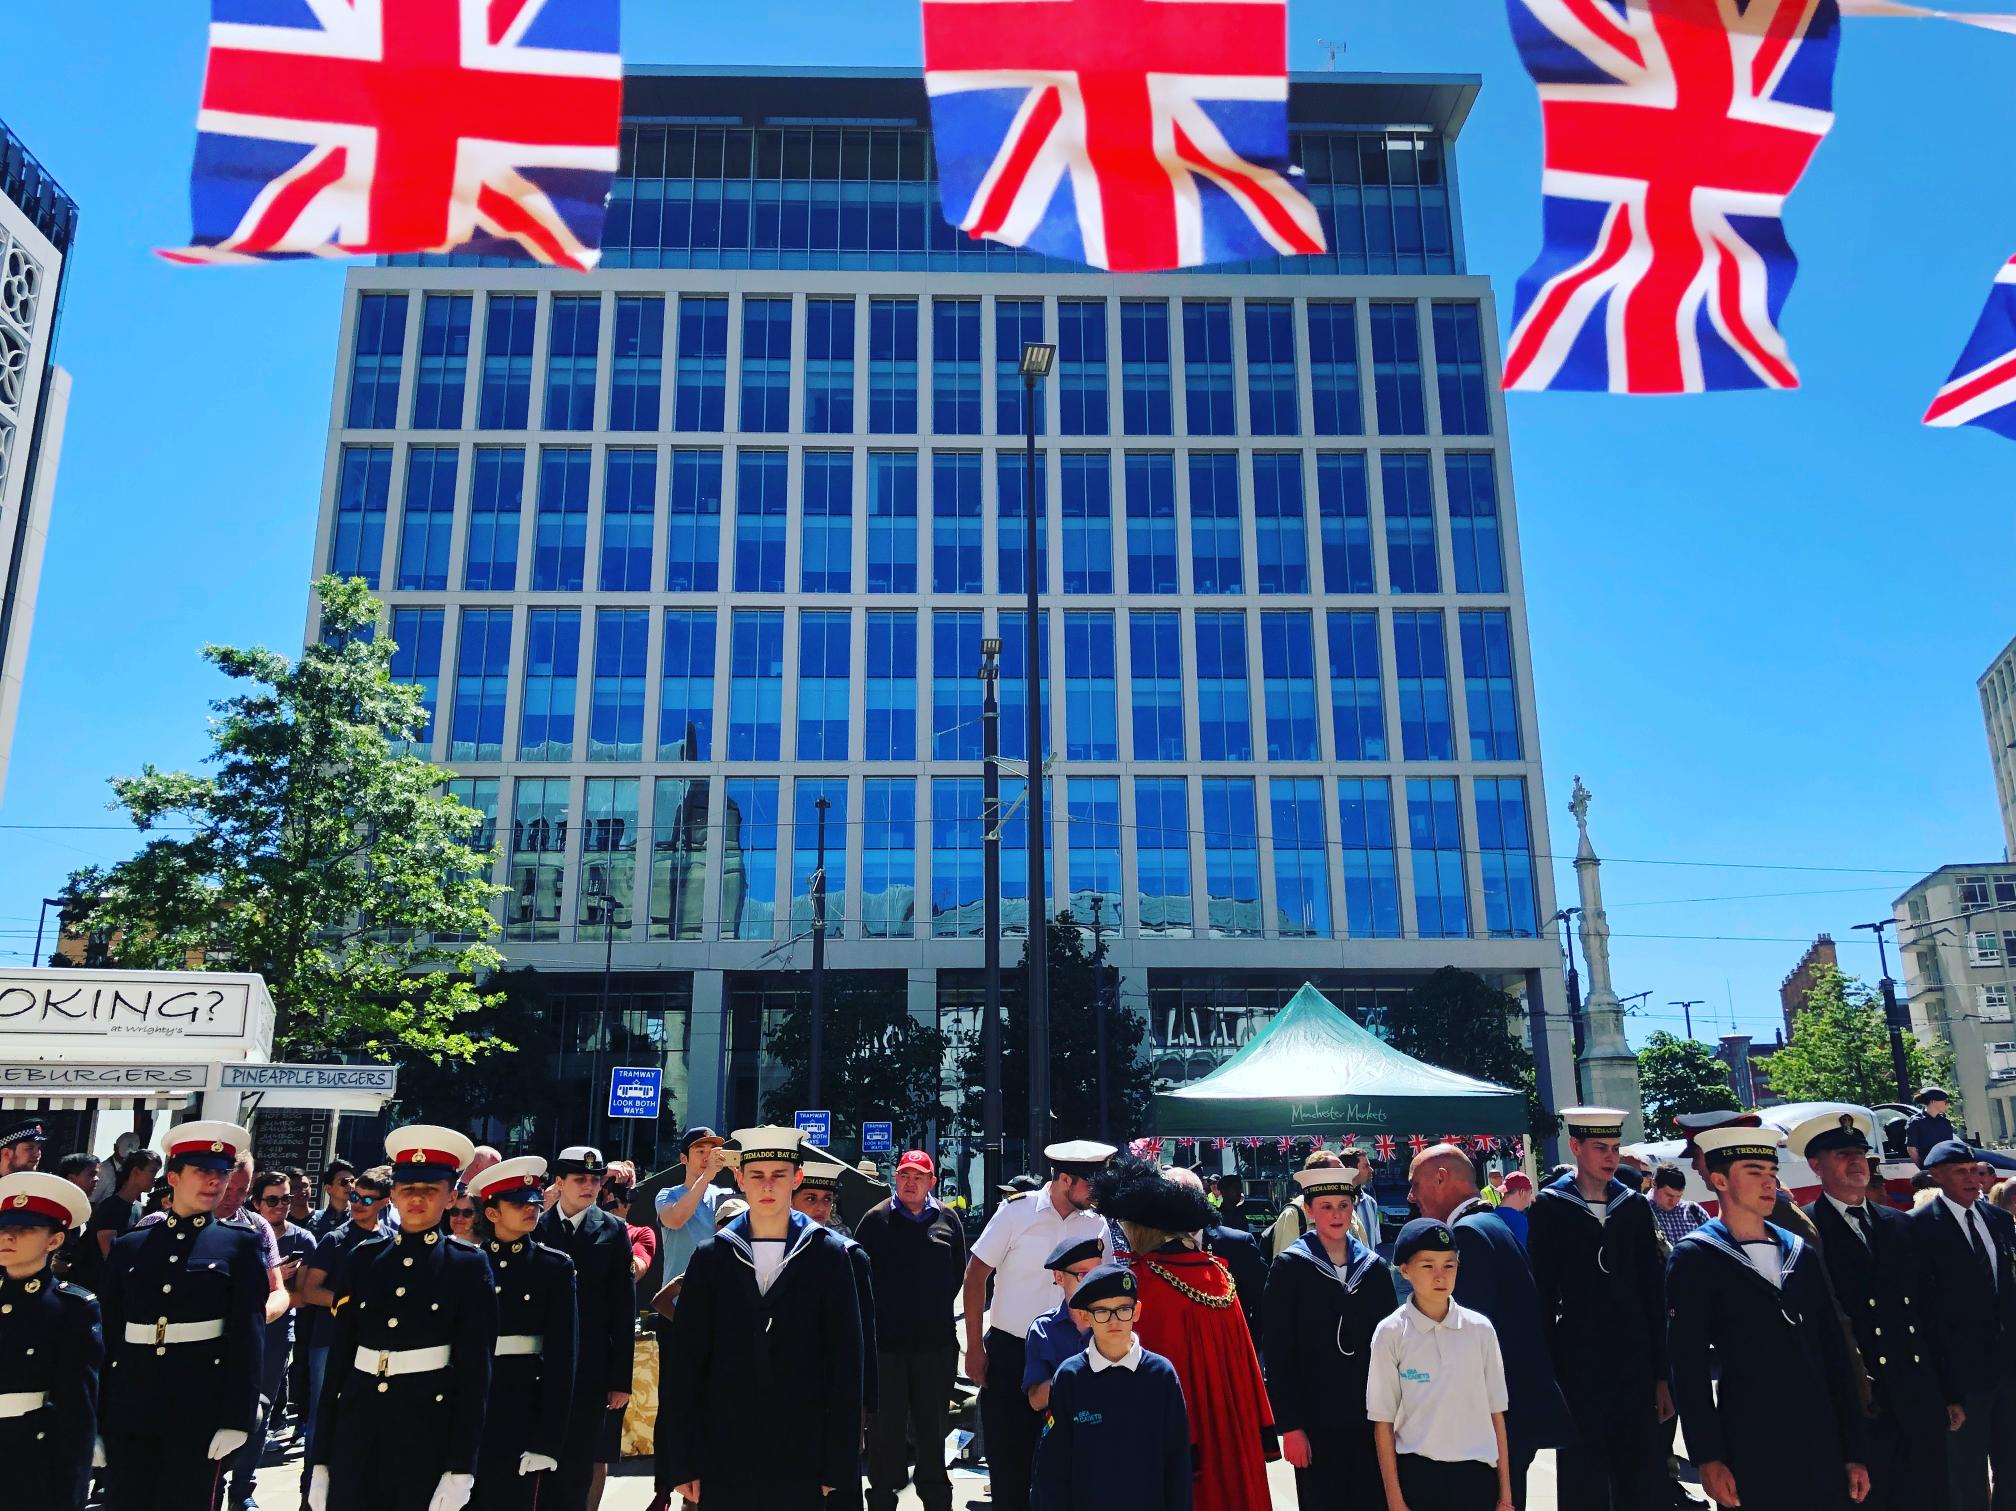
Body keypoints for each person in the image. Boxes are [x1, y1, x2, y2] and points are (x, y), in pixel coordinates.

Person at [656, 1125, 864, 1510]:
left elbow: (846, 1365)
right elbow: (686, 1368)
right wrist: (682, 1460)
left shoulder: (828, 1256)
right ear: (739, 1179)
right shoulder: (711, 1257)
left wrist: (838, 1464)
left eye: (778, 1175)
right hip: (725, 1452)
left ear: (796, 1178)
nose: (767, 1186)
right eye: (757, 1175)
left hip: (802, 1453)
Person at [1666, 1125, 1869, 1511]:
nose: (1768, 1183)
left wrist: (1853, 1449)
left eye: (1772, 1174)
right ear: (1720, 1179)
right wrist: (1708, 1457)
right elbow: (1687, 1368)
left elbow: (1835, 1354)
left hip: (1821, 1440)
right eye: (1754, 1172)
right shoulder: (1696, 1256)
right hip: (1750, 1443)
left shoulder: (1799, 1251)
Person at [306, 1126, 495, 1511]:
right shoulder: (364, 1258)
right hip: (358, 1421)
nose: (417, 1199)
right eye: (408, 1188)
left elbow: (475, 1372)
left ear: (451, 1196)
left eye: (430, 1189)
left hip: (424, 1425)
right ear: (393, 1194)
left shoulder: (467, 1266)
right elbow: (340, 1360)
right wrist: (321, 1458)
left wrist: (461, 1467)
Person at [1792, 1110, 1960, 1511]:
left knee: (1932, 1497)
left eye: (1860, 1154)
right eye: (1842, 1155)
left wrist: (1950, 1392)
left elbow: (1930, 1313)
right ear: (1816, 1166)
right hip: (1863, 1403)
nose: (1856, 1163)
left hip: (1918, 1395)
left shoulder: (1899, 1224)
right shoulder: (1805, 1233)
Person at [98, 1121, 267, 1511]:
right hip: (131, 1402)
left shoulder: (239, 1245)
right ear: (173, 1177)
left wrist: (238, 1418)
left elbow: (247, 1336)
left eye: (221, 1173)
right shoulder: (131, 1246)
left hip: (199, 1404)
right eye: (202, 1171)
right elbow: (106, 1334)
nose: (213, 1181)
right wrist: (95, 1415)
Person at [1093, 1156, 1274, 1511]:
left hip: (1183, 1446)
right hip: (1232, 1433)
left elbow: (1142, 1382)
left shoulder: (1145, 1285)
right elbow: (1247, 1363)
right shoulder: (1219, 1274)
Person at [1410, 1144, 1572, 1511]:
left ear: (1440, 1178)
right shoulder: (1494, 1225)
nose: (1411, 1196)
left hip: (1489, 1425)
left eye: (1415, 1184)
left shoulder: (1466, 1236)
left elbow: (1462, 1340)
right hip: (1511, 1418)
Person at [1526, 1108, 1671, 1511]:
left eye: (1614, 1148)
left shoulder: (1633, 1207)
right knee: (1583, 1481)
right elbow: (1542, 1295)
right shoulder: (1551, 1207)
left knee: (1640, 1478)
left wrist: (1662, 1375)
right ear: (1575, 1147)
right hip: (1579, 1369)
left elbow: (1652, 1294)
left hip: (1634, 1367)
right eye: (1600, 1148)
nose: (1611, 1157)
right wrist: (1549, 1377)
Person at [963, 1140, 1115, 1511]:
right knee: (1009, 1467)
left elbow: (1106, 1285)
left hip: (1072, 1356)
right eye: (1091, 1186)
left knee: (1068, 1468)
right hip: (1012, 1352)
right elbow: (975, 1274)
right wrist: (974, 1347)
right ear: (1065, 1179)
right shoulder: (1017, 1212)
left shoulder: (1096, 1224)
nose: (1097, 1195)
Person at [1265, 1162, 1398, 1508]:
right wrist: (1291, 1427)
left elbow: (1391, 1349)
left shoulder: (1373, 1269)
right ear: (1308, 1210)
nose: (1336, 1215)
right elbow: (1279, 1353)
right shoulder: (1290, 1267)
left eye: (1343, 1205)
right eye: (1325, 1207)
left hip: (1369, 1417)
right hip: (1315, 1421)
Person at [1367, 1218, 1515, 1511]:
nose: (1440, 1276)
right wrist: (1395, 1501)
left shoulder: (1480, 1329)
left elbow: (1496, 1415)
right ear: (1405, 1270)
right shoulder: (1391, 1333)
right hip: (1419, 1477)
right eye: (1427, 1265)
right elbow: (1383, 1422)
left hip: (1476, 1477)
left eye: (1449, 1265)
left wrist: (1505, 1495)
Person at [854, 1148, 968, 1511]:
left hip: (935, 1348)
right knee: (885, 1434)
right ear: (895, 1178)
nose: (910, 1182)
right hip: (885, 1348)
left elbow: (957, 1274)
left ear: (932, 1182)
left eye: (919, 1176)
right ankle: (883, 1500)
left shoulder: (948, 1221)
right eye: (904, 1175)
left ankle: (936, 1500)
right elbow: (859, 1277)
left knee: (932, 1432)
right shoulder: (875, 1221)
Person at [1032, 1263, 1191, 1511]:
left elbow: (1178, 1462)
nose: (1114, 1320)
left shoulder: (1161, 1375)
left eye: (1123, 1309)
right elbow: (1053, 1465)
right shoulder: (1070, 1377)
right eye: (1102, 1312)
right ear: (1085, 1317)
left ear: (1137, 1311)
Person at [1910, 1139, 2016, 1511]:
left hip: (2008, 1370)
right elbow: (1925, 1313)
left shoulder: (1999, 1220)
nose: (1972, 1179)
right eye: (1961, 1172)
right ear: (1936, 1176)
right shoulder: (1918, 1228)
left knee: (2012, 1468)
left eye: (1974, 1171)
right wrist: (1945, 1389)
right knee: (1967, 1476)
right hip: (1963, 1380)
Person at [468, 1157, 575, 1511]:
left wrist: (548, 1439)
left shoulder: (553, 1266)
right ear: (493, 1213)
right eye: (518, 1204)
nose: (531, 1210)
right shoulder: (468, 1263)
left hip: (522, 1403)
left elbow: (563, 1358)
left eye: (534, 1203)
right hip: (470, 1400)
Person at [535, 1146, 635, 1511]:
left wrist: (620, 1379)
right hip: (540, 1364)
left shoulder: (612, 1230)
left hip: (590, 1368)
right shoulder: (537, 1227)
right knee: (536, 1460)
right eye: (580, 1179)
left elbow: (624, 1309)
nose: (589, 1186)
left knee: (579, 1462)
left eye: (595, 1180)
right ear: (559, 1182)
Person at [0, 1169, 103, 1511]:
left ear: (54, 1240)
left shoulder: (71, 1307)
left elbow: (77, 1410)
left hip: (30, 1462)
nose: (8, 1237)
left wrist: (71, 1494)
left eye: (25, 1229)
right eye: (4, 1228)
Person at [228, 1170, 314, 1511]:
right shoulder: (242, 1230)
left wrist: (277, 1283)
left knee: (260, 1411)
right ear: (257, 1201)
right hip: (231, 1335)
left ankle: (242, 1489)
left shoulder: (300, 1239)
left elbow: (300, 1295)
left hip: (276, 1335)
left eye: (287, 1199)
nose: (281, 1206)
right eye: (273, 1200)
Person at [296, 1164, 393, 1465]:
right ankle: (309, 1488)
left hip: (373, 1344)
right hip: (330, 1338)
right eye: (354, 1197)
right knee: (321, 1414)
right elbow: (310, 1291)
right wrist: (351, 1304)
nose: (357, 1204)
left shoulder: (392, 1239)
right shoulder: (334, 1239)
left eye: (366, 1199)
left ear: (384, 1203)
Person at [797, 1156, 878, 1511]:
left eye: (826, 1199)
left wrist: (863, 1408)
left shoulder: (850, 1256)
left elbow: (864, 1339)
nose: (820, 1208)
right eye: (810, 1198)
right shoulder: (770, 1252)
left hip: (837, 1397)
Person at [1181, 1167, 1268, 1341]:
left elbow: (1261, 1294)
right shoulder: (1156, 1244)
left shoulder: (1238, 1236)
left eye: (1239, 1187)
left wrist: (1254, 1338)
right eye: (1234, 1187)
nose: (1239, 1192)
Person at [1022, 1236, 1104, 1414]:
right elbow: (1035, 1400)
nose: (1093, 1283)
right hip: (1063, 1434)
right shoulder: (1043, 1329)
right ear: (1059, 1278)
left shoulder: (1115, 1322)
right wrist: (1076, 1373)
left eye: (1098, 1274)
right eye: (1083, 1275)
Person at [653, 1127, 728, 1301]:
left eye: (712, 1152)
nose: (707, 1157)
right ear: (683, 1158)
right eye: (700, 1151)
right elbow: (674, 1220)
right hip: (677, 1302)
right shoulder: (668, 1194)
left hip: (716, 1300)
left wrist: (744, 1180)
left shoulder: (725, 1194)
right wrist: (706, 1177)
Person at [1268, 1150, 1348, 1257]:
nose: (1345, 1176)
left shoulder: (1349, 1209)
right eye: (1338, 1172)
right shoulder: (1293, 1215)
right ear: (1319, 1177)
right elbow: (1285, 1268)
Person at [1648, 1166, 1709, 1252]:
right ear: (1654, 1184)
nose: (1673, 1202)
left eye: (1679, 1196)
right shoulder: (1641, 1209)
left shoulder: (1693, 1210)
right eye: (1669, 1195)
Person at [1905, 1089, 1960, 1168]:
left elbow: (1950, 1147)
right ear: (1933, 1101)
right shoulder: (1916, 1121)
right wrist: (1922, 1169)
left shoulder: (1945, 1122)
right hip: (1928, 1167)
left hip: (1946, 1167)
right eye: (1944, 1101)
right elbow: (1911, 1149)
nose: (1947, 1104)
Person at [307, 1161, 357, 1238]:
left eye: (352, 1181)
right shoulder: (316, 1220)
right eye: (344, 1182)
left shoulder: (361, 1215)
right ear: (328, 1188)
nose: (350, 1186)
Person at [1495, 1172, 1534, 1247]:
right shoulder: (1520, 1222)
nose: (1531, 1198)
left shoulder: (1490, 1216)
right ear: (1522, 1193)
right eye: (1530, 1193)